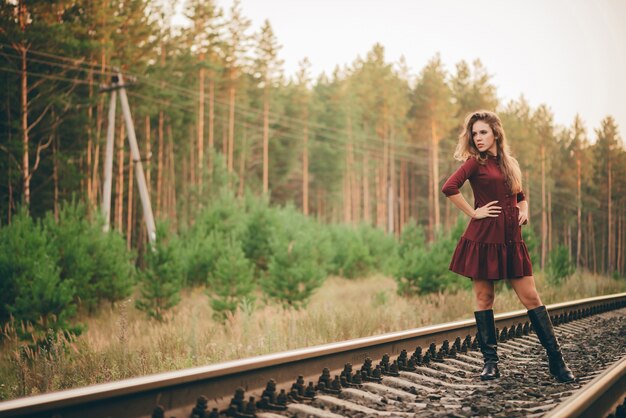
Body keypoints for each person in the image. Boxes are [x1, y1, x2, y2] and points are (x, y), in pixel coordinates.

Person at [441, 110, 575, 383]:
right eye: (474, 133)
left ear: (495, 134)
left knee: (532, 298)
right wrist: (473, 212)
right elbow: (449, 187)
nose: (478, 138)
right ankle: (490, 363)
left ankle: (556, 361)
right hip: (483, 240)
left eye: (483, 132)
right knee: (484, 299)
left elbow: (520, 195)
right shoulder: (473, 164)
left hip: (512, 240)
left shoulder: (509, 163)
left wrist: (524, 209)